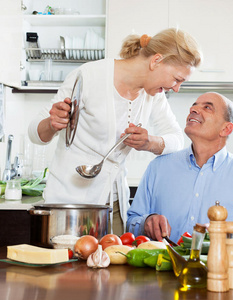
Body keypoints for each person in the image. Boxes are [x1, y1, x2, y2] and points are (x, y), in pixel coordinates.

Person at [28, 28, 202, 235]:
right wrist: (53, 122)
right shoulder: (89, 75)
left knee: (114, 265)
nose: (176, 88)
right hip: (69, 203)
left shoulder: (153, 94)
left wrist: (150, 142)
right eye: (177, 79)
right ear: (156, 61)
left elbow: (176, 139)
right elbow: (34, 133)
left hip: (114, 204)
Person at [127, 92, 233, 251]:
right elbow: (131, 222)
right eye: (194, 105)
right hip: (163, 267)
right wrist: (147, 222)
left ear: (225, 128)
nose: (193, 109)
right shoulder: (158, 167)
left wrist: (225, 237)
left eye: (207, 107)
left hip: (219, 271)